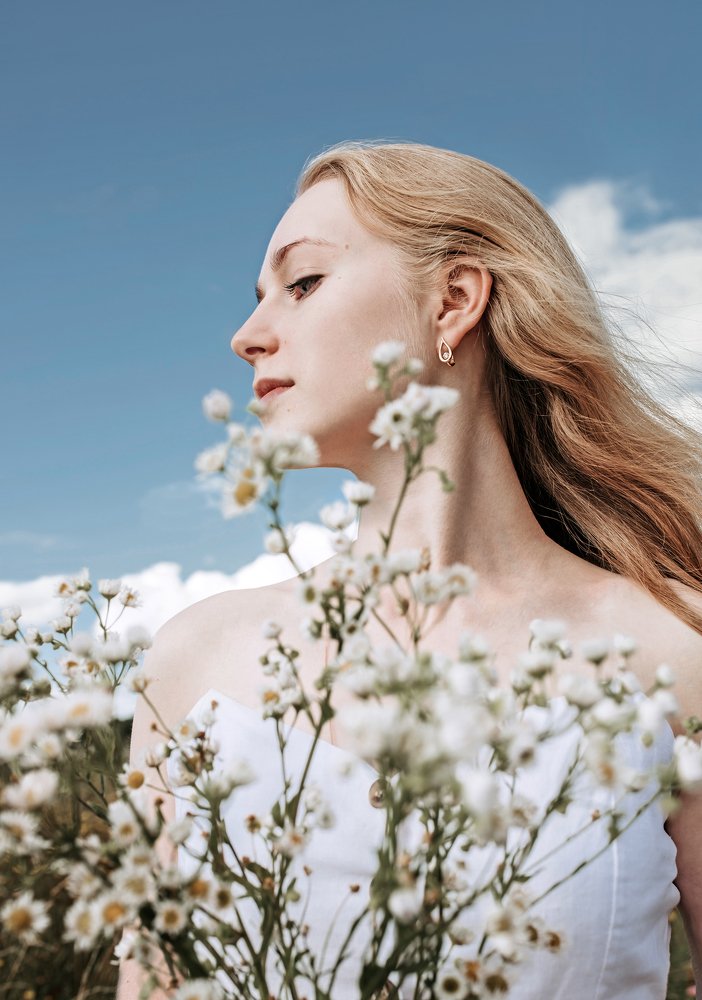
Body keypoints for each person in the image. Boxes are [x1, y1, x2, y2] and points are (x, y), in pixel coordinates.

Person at [118, 140, 702, 998]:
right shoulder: (195, 660)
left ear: (454, 300)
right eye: (259, 299)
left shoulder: (673, 651)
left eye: (303, 282)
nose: (248, 336)